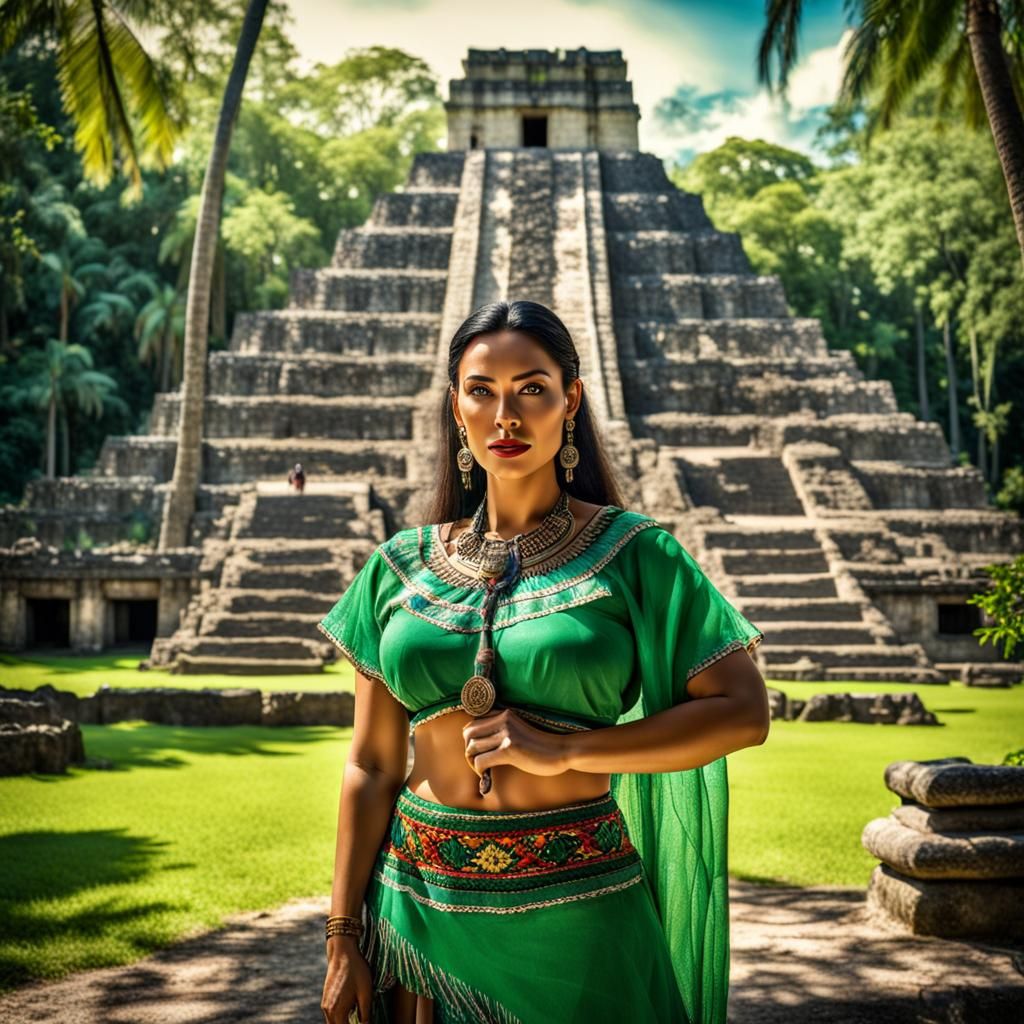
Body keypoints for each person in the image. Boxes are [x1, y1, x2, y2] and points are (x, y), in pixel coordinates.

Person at [318, 300, 769, 1024]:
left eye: (531, 388)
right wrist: (343, 935)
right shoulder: (398, 568)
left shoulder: (635, 553)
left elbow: (744, 713)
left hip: (580, 912)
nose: (506, 415)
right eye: (481, 390)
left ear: (571, 401)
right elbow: (371, 766)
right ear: (456, 408)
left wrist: (568, 750)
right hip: (417, 916)